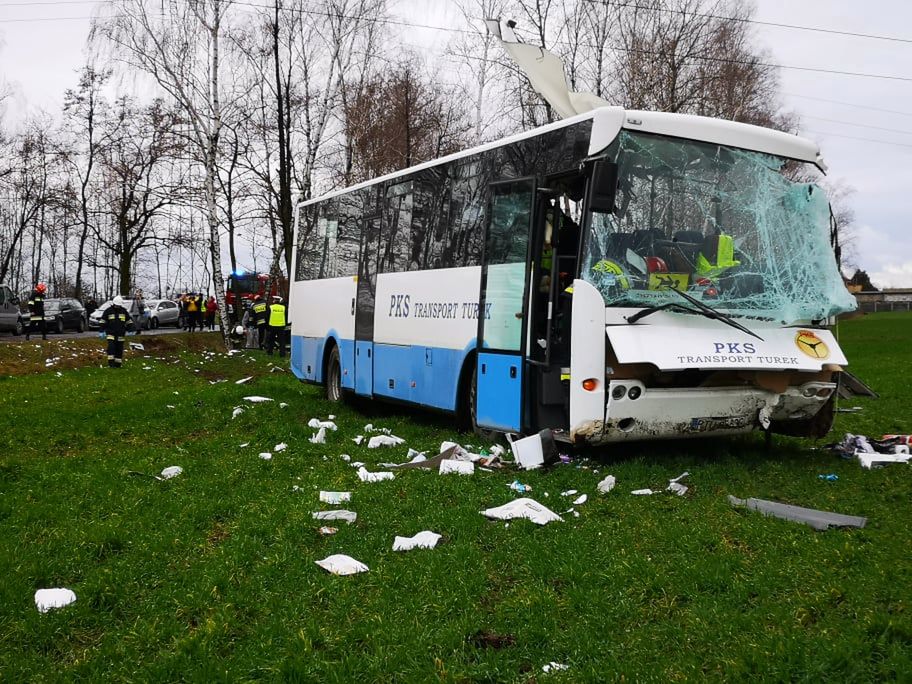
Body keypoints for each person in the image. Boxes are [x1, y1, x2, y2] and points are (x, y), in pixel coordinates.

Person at [101, 295, 131, 368]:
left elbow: (128, 321)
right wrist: (101, 330)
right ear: (114, 304)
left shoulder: (124, 311)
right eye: (117, 305)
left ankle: (118, 364)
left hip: (120, 334)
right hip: (111, 333)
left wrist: (131, 328)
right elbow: (103, 321)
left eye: (119, 305)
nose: (118, 306)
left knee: (119, 349)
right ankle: (111, 363)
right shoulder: (108, 311)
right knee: (111, 347)